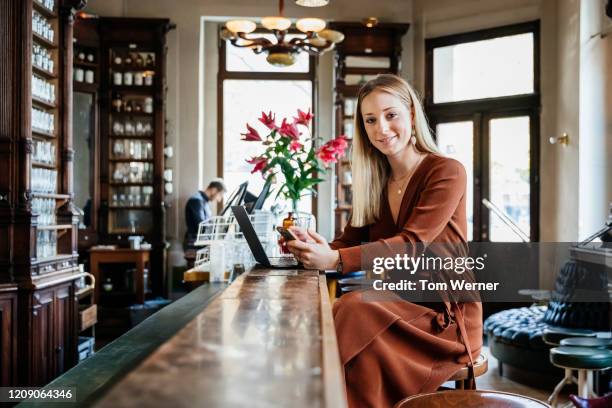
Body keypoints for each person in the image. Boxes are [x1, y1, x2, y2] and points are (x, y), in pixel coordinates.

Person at [287, 74, 483, 407]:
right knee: (352, 321)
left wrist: (334, 260)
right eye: (371, 120)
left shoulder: (446, 171)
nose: (382, 129)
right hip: (393, 309)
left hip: (445, 318)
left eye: (391, 115)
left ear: (411, 114)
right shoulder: (376, 182)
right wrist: (314, 246)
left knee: (353, 309)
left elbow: (411, 242)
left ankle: (306, 393)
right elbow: (345, 243)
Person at [183, 179, 226, 249]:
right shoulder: (196, 201)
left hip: (197, 242)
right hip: (193, 245)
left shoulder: (203, 201)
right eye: (220, 195)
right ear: (214, 190)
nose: (219, 200)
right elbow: (201, 226)